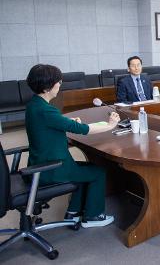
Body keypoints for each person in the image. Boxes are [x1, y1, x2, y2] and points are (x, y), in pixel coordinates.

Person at [25, 64, 120, 228]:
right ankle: (93, 216)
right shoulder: (46, 110)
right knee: (98, 172)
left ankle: (74, 212)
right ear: (48, 87)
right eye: (58, 82)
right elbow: (83, 129)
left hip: (40, 163)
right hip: (53, 167)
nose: (60, 84)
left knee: (88, 168)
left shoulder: (35, 105)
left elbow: (51, 124)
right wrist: (111, 125)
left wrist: (68, 122)